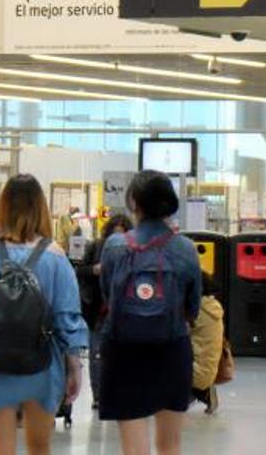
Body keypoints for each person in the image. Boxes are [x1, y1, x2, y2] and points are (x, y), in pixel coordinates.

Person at [0, 175, 87, 455]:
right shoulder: (55, 255)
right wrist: (74, 365)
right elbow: (68, 317)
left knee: (1, 448)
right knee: (39, 446)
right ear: (41, 207)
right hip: (43, 363)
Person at [99, 170, 201, 455]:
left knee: (134, 448)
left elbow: (108, 294)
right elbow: (193, 307)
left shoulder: (115, 246)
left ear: (134, 202)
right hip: (171, 349)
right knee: (170, 445)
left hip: (123, 350)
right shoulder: (185, 248)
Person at [75, 213, 132, 411]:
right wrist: (94, 270)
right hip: (97, 310)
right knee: (96, 355)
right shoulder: (95, 247)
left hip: (121, 311)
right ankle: (98, 395)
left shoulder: (132, 250)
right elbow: (80, 270)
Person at [189, 272, 225, 415]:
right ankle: (203, 392)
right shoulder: (212, 306)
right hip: (209, 371)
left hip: (193, 371)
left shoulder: (195, 309)